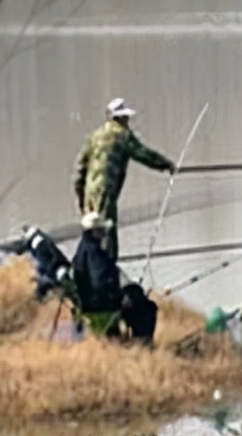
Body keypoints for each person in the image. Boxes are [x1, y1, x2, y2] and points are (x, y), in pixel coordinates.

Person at [74, 97, 177, 260]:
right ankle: (108, 272)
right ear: (118, 118)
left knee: (91, 233)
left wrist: (81, 200)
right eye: (126, 117)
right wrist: (167, 165)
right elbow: (144, 155)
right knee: (107, 232)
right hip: (106, 193)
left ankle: (89, 269)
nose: (128, 121)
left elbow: (80, 170)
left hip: (89, 193)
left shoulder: (94, 136)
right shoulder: (122, 136)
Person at [72, 211, 123, 316]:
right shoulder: (94, 253)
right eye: (102, 230)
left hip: (89, 301)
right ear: (94, 231)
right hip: (99, 305)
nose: (104, 233)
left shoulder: (84, 246)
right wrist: (120, 297)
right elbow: (100, 282)